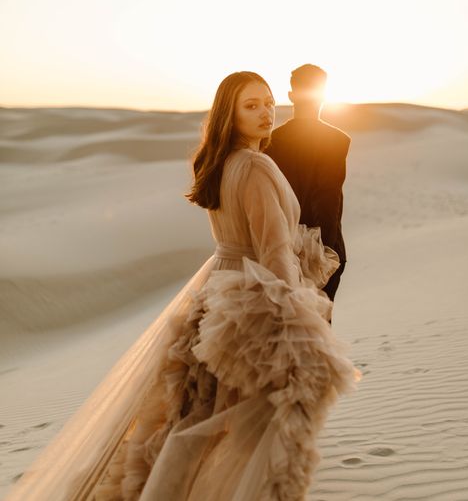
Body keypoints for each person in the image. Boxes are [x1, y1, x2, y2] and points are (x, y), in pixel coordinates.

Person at [6, 71, 359, 501]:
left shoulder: (221, 162)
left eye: (268, 102)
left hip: (218, 287)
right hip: (252, 296)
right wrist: (296, 325)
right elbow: (274, 252)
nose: (266, 112)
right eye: (251, 105)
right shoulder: (256, 165)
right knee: (243, 424)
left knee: (193, 414)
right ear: (230, 113)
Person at [265, 64, 351, 305]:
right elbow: (328, 197)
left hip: (283, 254)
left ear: (291, 95)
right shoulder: (337, 140)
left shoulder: (271, 142)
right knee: (319, 330)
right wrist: (325, 255)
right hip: (326, 251)